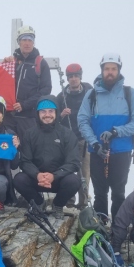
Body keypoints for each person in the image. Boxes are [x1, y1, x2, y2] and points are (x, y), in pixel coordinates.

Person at [78, 53, 134, 220]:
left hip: (121, 151)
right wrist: (94, 144)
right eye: (106, 69)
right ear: (101, 71)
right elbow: (82, 120)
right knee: (100, 192)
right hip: (97, 151)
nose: (110, 72)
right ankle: (101, 226)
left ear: (118, 70)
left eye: (113, 69)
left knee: (118, 191)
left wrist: (116, 132)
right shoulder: (92, 95)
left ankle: (118, 227)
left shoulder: (130, 94)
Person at [13, 99, 82, 213]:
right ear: (38, 113)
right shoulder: (29, 134)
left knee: (74, 181)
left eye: (51, 111)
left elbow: (73, 162)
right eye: (43, 111)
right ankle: (38, 203)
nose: (47, 115)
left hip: (59, 179)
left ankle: (57, 205)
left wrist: (54, 176)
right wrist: (37, 175)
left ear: (56, 112)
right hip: (37, 179)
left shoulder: (67, 134)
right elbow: (25, 161)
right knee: (19, 179)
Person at [55, 64, 92, 207]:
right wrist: (62, 115)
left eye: (76, 76)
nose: (74, 79)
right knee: (67, 171)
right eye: (71, 77)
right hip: (68, 142)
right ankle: (68, 202)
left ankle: (83, 204)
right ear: (67, 79)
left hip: (85, 140)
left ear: (80, 77)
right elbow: (54, 119)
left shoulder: (89, 92)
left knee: (85, 173)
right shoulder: (61, 97)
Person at [6, 26, 51, 134]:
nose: (27, 43)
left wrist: (25, 104)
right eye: (24, 39)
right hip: (9, 117)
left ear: (33, 43)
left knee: (28, 149)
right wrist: (4, 64)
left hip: (30, 118)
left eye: (30, 40)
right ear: (19, 42)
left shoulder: (41, 63)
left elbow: (46, 89)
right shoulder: (11, 62)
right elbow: (0, 83)